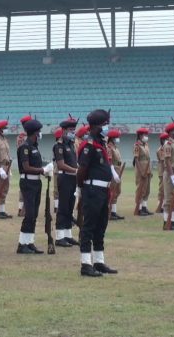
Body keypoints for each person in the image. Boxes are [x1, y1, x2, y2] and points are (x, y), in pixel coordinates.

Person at [77, 109, 117, 277]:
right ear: (97, 126)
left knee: (101, 227)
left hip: (103, 190)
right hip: (92, 190)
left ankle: (99, 261)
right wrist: (80, 188)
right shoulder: (89, 145)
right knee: (89, 227)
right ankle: (86, 264)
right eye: (105, 124)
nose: (107, 127)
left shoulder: (101, 144)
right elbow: (82, 170)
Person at [16, 119, 53, 254]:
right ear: (35, 132)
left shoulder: (34, 147)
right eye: (39, 131)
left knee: (34, 214)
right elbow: (26, 167)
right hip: (28, 182)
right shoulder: (25, 147)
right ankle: (22, 244)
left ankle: (29, 242)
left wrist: (44, 172)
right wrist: (43, 170)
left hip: (36, 182)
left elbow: (36, 166)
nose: (40, 133)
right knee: (30, 213)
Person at [54, 117, 81, 247]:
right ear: (64, 130)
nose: (73, 132)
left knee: (70, 207)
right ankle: (59, 236)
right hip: (64, 177)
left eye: (74, 130)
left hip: (72, 178)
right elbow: (61, 164)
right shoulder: (59, 145)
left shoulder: (71, 144)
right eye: (70, 130)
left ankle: (68, 235)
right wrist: (76, 171)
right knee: (63, 207)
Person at [16, 115, 33, 217]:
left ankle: (25, 208)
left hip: (31, 163)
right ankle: (21, 209)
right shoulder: (22, 137)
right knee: (25, 188)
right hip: (25, 163)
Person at [133, 128, 152, 216]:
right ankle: (139, 208)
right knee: (141, 189)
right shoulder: (137, 145)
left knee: (147, 189)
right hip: (141, 168)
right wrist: (141, 171)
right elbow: (136, 159)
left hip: (147, 168)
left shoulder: (146, 144)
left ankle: (144, 207)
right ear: (140, 136)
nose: (146, 137)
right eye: (145, 135)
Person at [107, 129, 124, 220]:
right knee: (112, 191)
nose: (118, 139)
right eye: (116, 137)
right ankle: (109, 212)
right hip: (113, 170)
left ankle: (113, 212)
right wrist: (114, 173)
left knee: (117, 191)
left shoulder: (115, 147)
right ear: (112, 138)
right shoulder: (109, 147)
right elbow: (109, 161)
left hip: (118, 169)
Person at [155, 132, 168, 213]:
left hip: (166, 171)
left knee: (166, 189)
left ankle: (164, 205)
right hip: (162, 171)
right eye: (165, 139)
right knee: (162, 189)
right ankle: (160, 206)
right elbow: (163, 160)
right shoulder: (161, 150)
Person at [52, 128, 62, 214]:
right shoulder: (57, 146)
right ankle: (56, 206)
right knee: (56, 189)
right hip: (57, 169)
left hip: (61, 170)